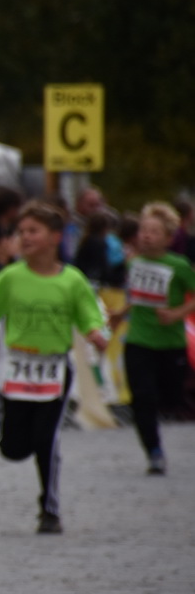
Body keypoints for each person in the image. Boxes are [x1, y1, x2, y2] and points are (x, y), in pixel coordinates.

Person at [0, 201, 107, 534]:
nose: (25, 237)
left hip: (54, 371)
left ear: (54, 237)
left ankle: (49, 510)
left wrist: (95, 333)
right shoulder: (12, 277)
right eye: (21, 232)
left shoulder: (72, 280)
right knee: (13, 448)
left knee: (47, 439)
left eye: (33, 231)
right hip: (20, 370)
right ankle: (34, 445)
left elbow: (89, 314)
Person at [110, 202, 193, 475]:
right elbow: (136, 295)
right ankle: (154, 451)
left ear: (169, 238)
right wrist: (121, 314)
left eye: (154, 231)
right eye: (144, 230)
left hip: (170, 343)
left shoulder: (179, 265)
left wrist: (176, 313)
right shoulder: (134, 262)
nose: (146, 235)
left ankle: (164, 416)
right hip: (138, 339)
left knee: (170, 396)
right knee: (142, 398)